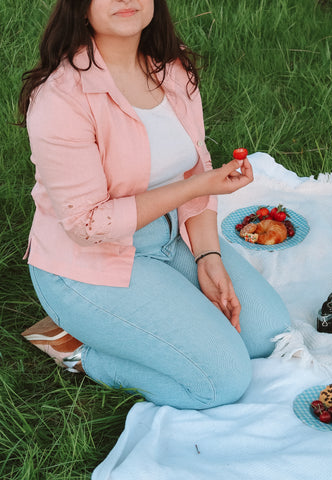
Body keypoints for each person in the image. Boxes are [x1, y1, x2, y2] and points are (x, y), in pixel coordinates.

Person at [19, 0, 290, 410]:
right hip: (88, 267)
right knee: (221, 382)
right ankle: (77, 349)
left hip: (168, 235)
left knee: (267, 333)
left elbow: (193, 169)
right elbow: (87, 225)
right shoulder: (61, 99)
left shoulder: (172, 67)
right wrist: (198, 186)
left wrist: (208, 254)